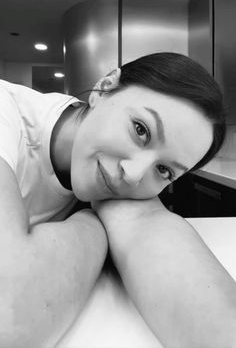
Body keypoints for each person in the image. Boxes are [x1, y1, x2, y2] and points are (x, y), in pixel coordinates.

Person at [0, 52, 235, 348]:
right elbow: (9, 313)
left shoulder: (119, 176)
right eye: (141, 130)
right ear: (105, 86)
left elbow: (215, 319)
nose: (134, 174)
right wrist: (92, 223)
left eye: (164, 170)